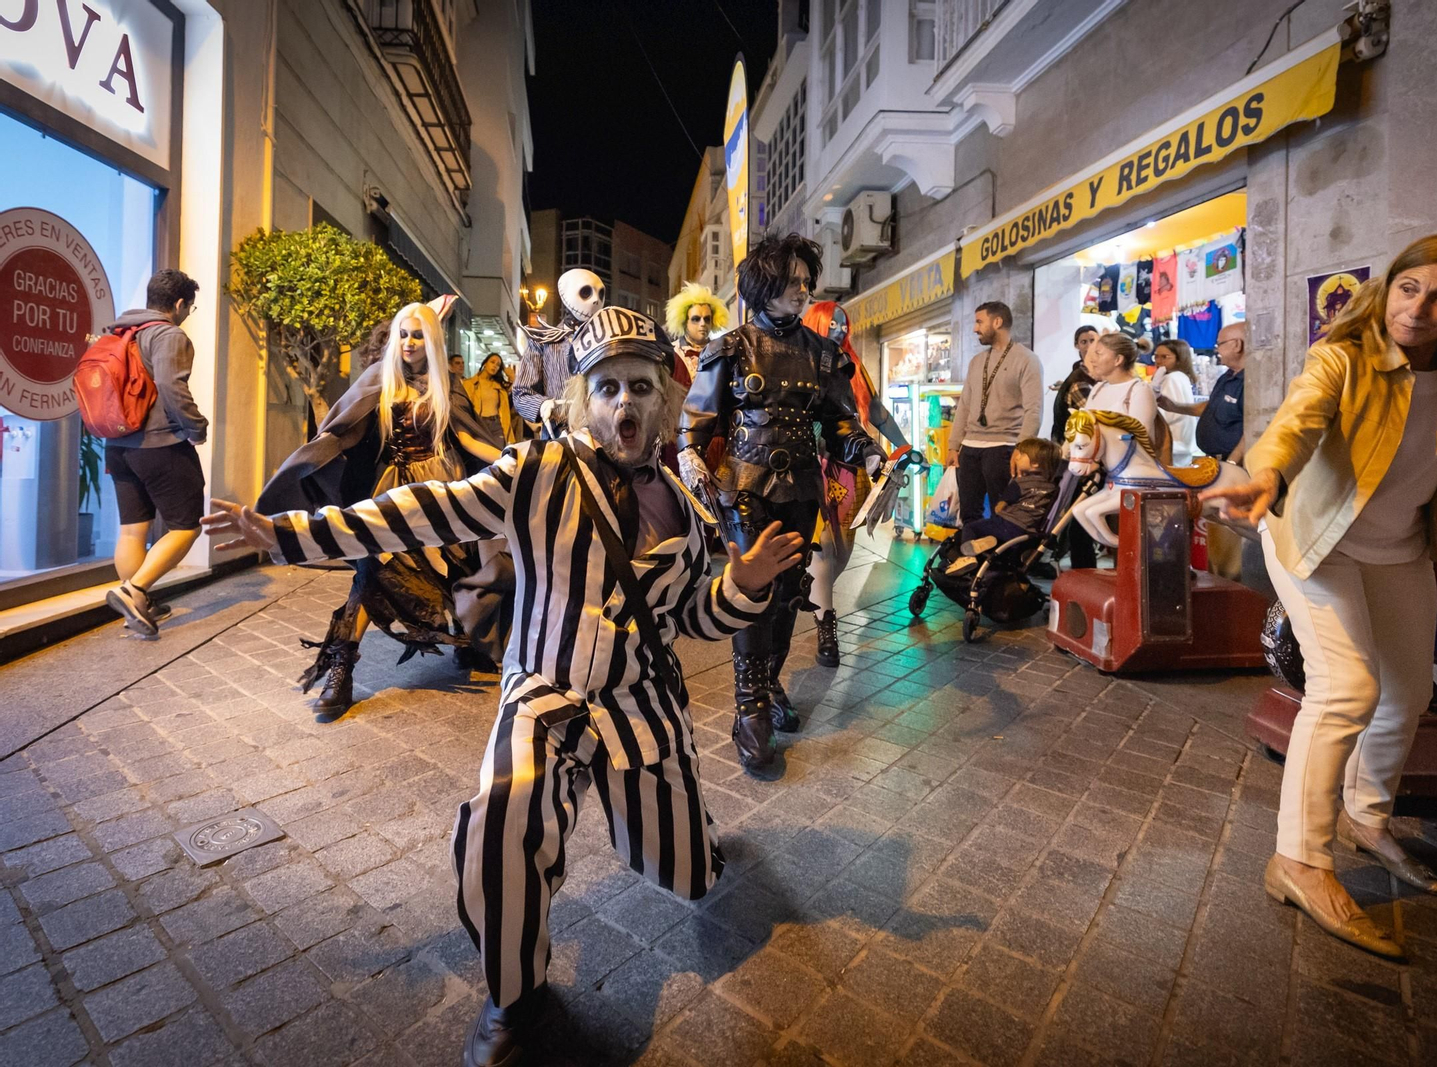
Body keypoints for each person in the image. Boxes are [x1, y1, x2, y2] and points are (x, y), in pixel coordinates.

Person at [202, 305, 803, 1067]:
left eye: (641, 386)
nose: (625, 401)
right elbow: (426, 509)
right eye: (609, 386)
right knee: (501, 822)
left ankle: (696, 840)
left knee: (686, 873)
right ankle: (513, 996)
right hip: (544, 689)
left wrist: (742, 587)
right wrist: (291, 532)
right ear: (585, 398)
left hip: (640, 701)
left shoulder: (685, 514)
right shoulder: (538, 471)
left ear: (664, 402)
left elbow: (692, 617)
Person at [1201, 234, 1437, 960]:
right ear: (1388, 287)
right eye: (1408, 287)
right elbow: (1295, 423)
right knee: (1347, 688)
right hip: (1315, 537)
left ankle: (1367, 816)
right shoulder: (1344, 356)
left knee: (1408, 692)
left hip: (1401, 546)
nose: (1417, 308)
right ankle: (1298, 860)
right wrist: (1265, 475)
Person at [679, 234, 885, 770]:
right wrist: (689, 454)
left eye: (805, 281)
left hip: (802, 488)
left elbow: (841, 423)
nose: (802, 289)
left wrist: (867, 452)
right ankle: (749, 708)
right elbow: (697, 421)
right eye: (792, 280)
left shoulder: (823, 353)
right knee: (755, 587)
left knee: (791, 591)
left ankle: (769, 684)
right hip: (745, 485)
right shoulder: (730, 347)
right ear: (762, 285)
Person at [256, 302, 508, 721]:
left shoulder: (447, 383)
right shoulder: (379, 377)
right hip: (390, 487)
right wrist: (315, 459)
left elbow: (466, 437)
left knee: (456, 567)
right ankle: (341, 666)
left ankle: (467, 642)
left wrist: (512, 461)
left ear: (432, 340)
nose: (408, 343)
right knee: (372, 570)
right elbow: (347, 430)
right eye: (403, 334)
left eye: (417, 335)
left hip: (441, 484)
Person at [801, 301, 914, 667]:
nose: (839, 330)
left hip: (851, 466)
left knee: (841, 552)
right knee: (824, 548)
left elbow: (875, 410)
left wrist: (904, 446)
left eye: (843, 324)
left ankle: (813, 596)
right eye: (831, 324)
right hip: (813, 468)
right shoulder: (800, 362)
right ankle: (826, 628)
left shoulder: (852, 365)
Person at [103, 269, 209, 637]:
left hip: (118, 445)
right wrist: (196, 427)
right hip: (159, 445)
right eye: (189, 307)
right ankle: (133, 591)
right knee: (186, 526)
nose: (187, 314)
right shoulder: (168, 334)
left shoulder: (119, 333)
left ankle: (137, 605)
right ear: (179, 304)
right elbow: (170, 386)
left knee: (133, 530)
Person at [1159, 321, 1248, 576]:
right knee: (1215, 527)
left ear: (1237, 345)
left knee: (1233, 529)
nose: (1216, 349)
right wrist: (1175, 407)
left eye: (1220, 344)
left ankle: (1234, 582)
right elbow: (1208, 407)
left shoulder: (1251, 380)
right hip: (1214, 465)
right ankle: (1217, 577)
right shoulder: (1226, 377)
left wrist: (1232, 463)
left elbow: (1253, 425)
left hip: (1234, 468)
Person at [948, 301, 1043, 525]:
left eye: (979, 322)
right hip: (969, 449)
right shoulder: (977, 361)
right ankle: (972, 548)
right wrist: (954, 445)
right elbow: (965, 405)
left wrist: (1022, 450)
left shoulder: (1027, 360)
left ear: (997, 322)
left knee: (1003, 513)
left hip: (1003, 448)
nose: (975, 328)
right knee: (969, 514)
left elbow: (1034, 409)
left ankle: (1000, 549)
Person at [511, 268, 606, 433]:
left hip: (601, 434)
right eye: (586, 292)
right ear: (566, 293)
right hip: (559, 434)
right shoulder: (543, 341)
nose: (596, 300)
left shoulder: (607, 342)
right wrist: (542, 405)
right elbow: (521, 393)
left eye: (601, 294)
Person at [948, 437, 1061, 575]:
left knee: (970, 527)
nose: (1017, 457)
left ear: (1035, 463)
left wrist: (1000, 506)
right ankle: (988, 545)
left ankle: (967, 557)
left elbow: (1000, 506)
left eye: (1021, 455)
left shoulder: (1020, 483)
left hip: (1005, 524)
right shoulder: (1052, 488)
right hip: (1027, 533)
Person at [1082, 331, 1158, 439]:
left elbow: (1140, 437)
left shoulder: (1139, 391)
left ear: (1118, 360)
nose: (1092, 360)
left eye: (1098, 354)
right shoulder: (1098, 388)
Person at [662, 281, 729, 388]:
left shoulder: (722, 353)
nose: (703, 324)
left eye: (707, 319)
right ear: (684, 322)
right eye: (696, 319)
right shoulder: (670, 354)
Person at [1048, 325, 1100, 444]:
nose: (1089, 346)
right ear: (1077, 345)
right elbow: (1095, 418)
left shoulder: (1082, 373)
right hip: (1072, 443)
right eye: (1084, 342)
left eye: (1092, 341)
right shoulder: (1080, 381)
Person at [1152, 338, 1199, 466]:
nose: (1158, 361)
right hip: (1181, 444)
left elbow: (1167, 413)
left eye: (1164, 357)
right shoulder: (1180, 377)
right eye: (1156, 357)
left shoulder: (1171, 378)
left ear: (1179, 359)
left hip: (1173, 443)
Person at [464, 353, 519, 446]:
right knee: (481, 453)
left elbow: (514, 388)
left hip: (496, 424)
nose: (495, 366)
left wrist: (511, 375)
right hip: (479, 423)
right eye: (492, 362)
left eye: (498, 365)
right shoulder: (470, 384)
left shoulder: (499, 386)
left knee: (499, 452)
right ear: (485, 363)